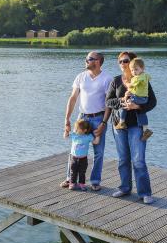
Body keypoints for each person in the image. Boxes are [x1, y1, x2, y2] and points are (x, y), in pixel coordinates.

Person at [106, 52, 157, 204]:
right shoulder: (116, 80)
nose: (123, 63)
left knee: (138, 160)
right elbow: (108, 101)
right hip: (118, 126)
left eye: (126, 61)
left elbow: (152, 102)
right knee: (123, 159)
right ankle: (124, 188)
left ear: (133, 62)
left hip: (137, 125)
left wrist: (138, 106)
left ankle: (145, 192)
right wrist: (122, 101)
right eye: (120, 61)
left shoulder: (142, 79)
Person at [62, 51, 113, 191]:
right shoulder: (80, 76)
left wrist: (104, 123)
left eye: (89, 59)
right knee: (74, 149)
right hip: (82, 118)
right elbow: (72, 98)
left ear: (97, 61)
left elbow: (109, 103)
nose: (86, 60)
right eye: (86, 58)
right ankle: (69, 178)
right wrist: (67, 119)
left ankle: (95, 181)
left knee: (99, 152)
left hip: (99, 118)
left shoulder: (107, 79)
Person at [115, 58, 153, 141]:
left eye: (136, 69)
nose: (134, 72)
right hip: (142, 98)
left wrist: (127, 85)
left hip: (139, 98)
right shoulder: (145, 76)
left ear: (142, 69)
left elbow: (132, 85)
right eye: (132, 70)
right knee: (141, 112)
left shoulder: (139, 77)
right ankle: (145, 129)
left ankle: (121, 122)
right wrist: (128, 93)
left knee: (125, 104)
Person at [61, 119, 99, 191]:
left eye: (77, 129)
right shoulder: (74, 135)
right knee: (73, 171)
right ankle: (72, 183)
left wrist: (98, 135)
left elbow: (96, 142)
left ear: (84, 130)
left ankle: (81, 184)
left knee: (82, 172)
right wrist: (66, 130)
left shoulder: (88, 136)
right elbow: (65, 137)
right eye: (75, 128)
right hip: (74, 158)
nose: (75, 130)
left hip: (83, 158)